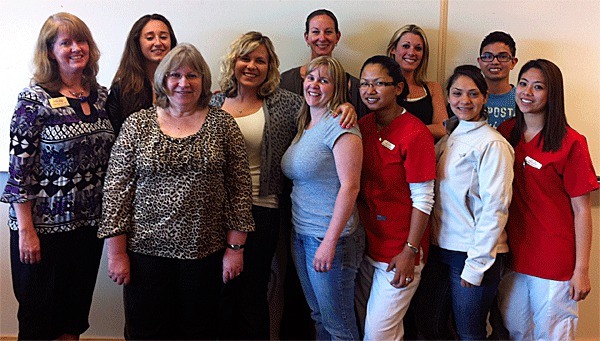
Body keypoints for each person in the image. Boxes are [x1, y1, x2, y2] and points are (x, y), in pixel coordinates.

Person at [97, 43, 255, 340]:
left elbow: (240, 189)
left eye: (192, 75)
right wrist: (116, 253)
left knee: (200, 330)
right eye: (175, 75)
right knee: (146, 331)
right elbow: (116, 189)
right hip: (145, 255)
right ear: (163, 80)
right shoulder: (137, 125)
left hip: (205, 254)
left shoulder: (223, 124)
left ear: (203, 81)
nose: (184, 83)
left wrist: (236, 249)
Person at [0, 12, 115, 340]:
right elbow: (19, 172)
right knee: (38, 318)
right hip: (43, 231)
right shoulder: (33, 100)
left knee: (73, 316)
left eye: (82, 41)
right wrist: (27, 232)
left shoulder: (101, 96)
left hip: (87, 227)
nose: (77, 48)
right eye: (66, 42)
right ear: (50, 51)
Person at [210, 31, 302, 340]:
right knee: (218, 292)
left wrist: (345, 109)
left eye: (259, 60)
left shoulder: (286, 105)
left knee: (252, 293)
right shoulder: (212, 103)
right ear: (233, 62)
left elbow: (321, 118)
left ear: (270, 66)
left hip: (261, 210)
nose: (251, 66)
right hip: (214, 213)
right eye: (245, 58)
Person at [497, 59, 598, 340]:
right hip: (514, 256)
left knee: (552, 334)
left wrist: (582, 270)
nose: (527, 92)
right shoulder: (506, 134)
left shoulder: (571, 142)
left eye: (538, 87)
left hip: (554, 261)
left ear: (552, 94)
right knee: (518, 330)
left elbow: (582, 211)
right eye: (524, 84)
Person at [414, 65, 514, 340]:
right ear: (448, 96)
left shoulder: (492, 144)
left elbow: (496, 208)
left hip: (473, 253)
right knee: (429, 323)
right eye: (457, 93)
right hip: (441, 248)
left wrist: (476, 265)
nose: (464, 101)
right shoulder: (449, 139)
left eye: (473, 94)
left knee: (469, 332)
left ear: (484, 98)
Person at [281, 56, 364, 340]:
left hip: (331, 238)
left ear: (337, 87)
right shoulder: (306, 123)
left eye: (324, 80)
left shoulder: (341, 125)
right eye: (311, 78)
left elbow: (350, 187)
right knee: (319, 317)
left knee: (339, 325)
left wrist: (329, 242)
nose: (315, 85)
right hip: (303, 234)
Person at [354, 55, 436, 340]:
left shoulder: (415, 133)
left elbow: (424, 198)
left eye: (379, 84)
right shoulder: (361, 126)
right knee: (369, 326)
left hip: (400, 251)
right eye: (364, 84)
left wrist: (410, 250)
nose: (369, 90)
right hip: (366, 247)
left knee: (377, 335)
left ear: (399, 88)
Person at [280, 8, 368, 119]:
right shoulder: (286, 81)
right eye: (316, 32)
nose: (322, 38)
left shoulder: (355, 87)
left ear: (337, 37)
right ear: (306, 37)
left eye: (328, 32)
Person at [107, 14, 177, 134]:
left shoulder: (182, 84)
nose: (158, 43)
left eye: (164, 37)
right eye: (150, 38)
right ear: (137, 43)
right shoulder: (122, 89)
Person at [386, 24, 448, 139]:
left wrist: (407, 131)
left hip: (425, 153)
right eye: (406, 46)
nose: (412, 53)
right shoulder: (383, 87)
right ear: (392, 50)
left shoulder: (433, 88)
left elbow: (443, 128)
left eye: (418, 48)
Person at [477, 31, 519, 128]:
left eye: (503, 56)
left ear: (513, 62)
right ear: (479, 62)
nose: (495, 62)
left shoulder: (522, 98)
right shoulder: (469, 98)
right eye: (488, 56)